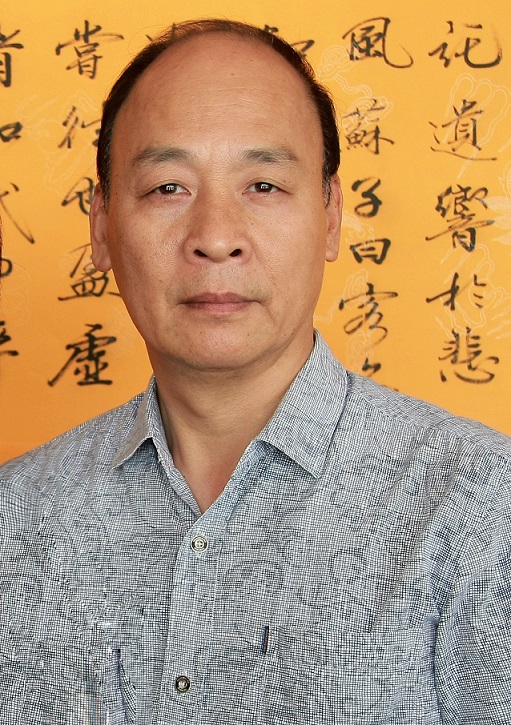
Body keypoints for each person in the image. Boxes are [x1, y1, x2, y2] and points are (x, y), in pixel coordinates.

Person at [0, 18, 509, 725]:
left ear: (330, 216)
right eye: (167, 187)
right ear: (101, 226)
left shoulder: (480, 509)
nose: (215, 237)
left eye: (263, 184)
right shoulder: (16, 518)